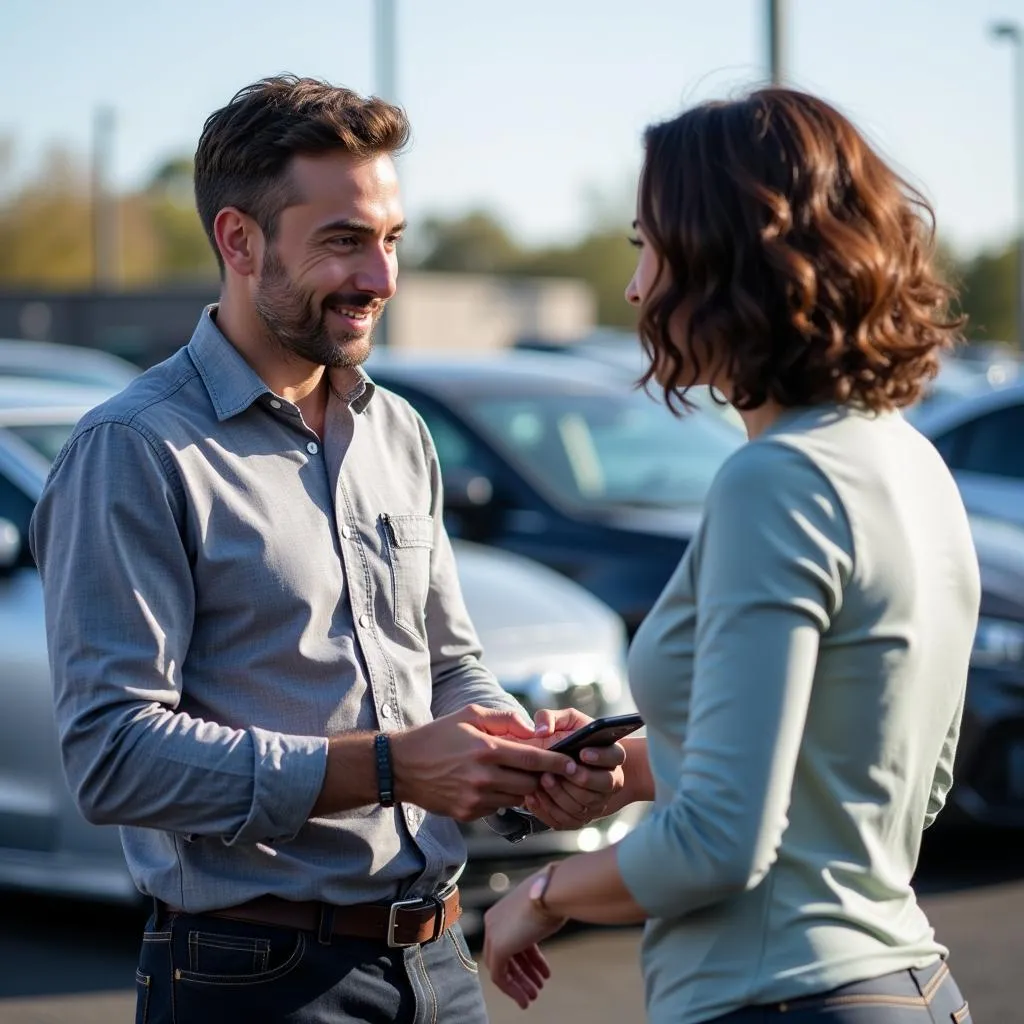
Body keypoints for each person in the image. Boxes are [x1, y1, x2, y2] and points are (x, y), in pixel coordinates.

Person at [29, 75, 624, 1024]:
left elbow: (449, 666)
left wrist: (519, 754)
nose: (381, 279)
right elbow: (113, 756)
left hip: (439, 962)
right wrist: (389, 767)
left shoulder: (398, 434)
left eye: (390, 241)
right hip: (249, 978)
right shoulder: (133, 450)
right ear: (238, 240)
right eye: (344, 241)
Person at [482, 87, 979, 1024]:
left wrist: (538, 896)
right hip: (910, 987)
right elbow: (896, 768)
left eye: (647, 247)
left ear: (725, 256)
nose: (635, 289)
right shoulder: (909, 459)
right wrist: (632, 771)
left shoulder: (777, 482)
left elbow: (718, 845)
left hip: (781, 999)